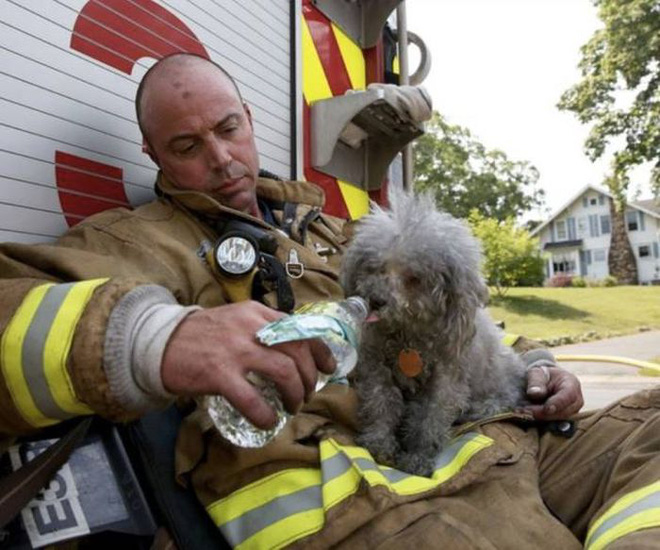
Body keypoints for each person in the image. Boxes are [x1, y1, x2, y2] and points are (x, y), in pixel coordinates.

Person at [0, 53, 656, 549]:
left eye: (229, 128)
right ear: (152, 154)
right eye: (187, 147)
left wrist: (535, 367)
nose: (223, 159)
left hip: (498, 437)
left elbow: (457, 323)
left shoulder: (336, 228)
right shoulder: (139, 241)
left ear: (251, 119)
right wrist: (155, 340)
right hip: (377, 492)